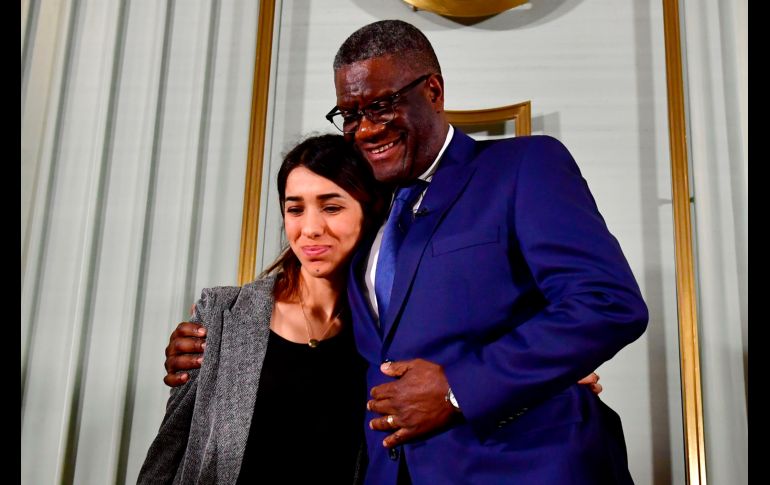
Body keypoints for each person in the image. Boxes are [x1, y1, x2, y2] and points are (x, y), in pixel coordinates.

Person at [165, 20, 647, 485]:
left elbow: (607, 303)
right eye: (351, 114)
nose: (366, 129)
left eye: (382, 105)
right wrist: (220, 339)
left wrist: (463, 388)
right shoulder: (374, 212)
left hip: (525, 466)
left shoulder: (522, 166)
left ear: (433, 91)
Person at [138, 134, 388, 484]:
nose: (311, 229)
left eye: (331, 207)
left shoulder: (384, 331)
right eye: (295, 209)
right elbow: (168, 450)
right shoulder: (221, 315)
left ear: (370, 209)